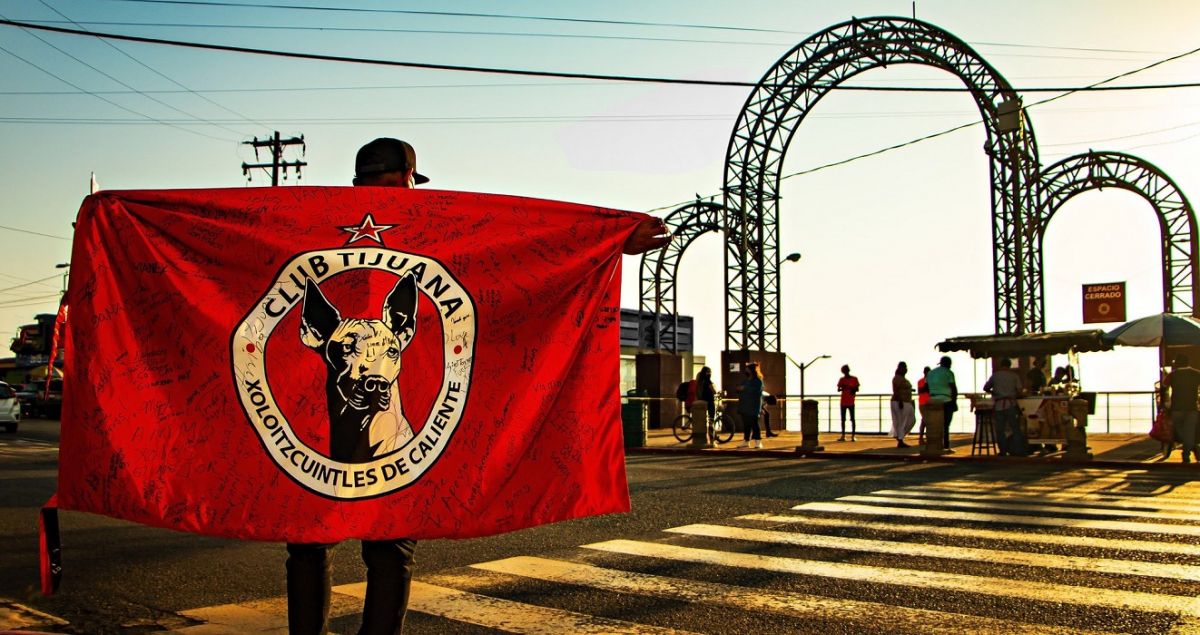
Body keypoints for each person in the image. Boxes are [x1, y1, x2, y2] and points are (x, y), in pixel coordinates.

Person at [286, 138, 670, 635]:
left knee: (321, 542)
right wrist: (610, 236)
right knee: (370, 547)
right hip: (339, 434)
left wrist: (610, 237)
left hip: (353, 436)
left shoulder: (315, 223)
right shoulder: (433, 223)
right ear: (408, 176)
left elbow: (523, 243)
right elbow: (525, 244)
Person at [983, 358, 1027, 457]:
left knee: (1000, 429)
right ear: (1009, 366)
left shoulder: (995, 376)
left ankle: (1002, 450)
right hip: (1011, 404)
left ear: (1000, 365)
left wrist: (993, 393)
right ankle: (1018, 449)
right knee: (1015, 428)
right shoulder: (1014, 376)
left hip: (999, 405)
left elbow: (986, 387)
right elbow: (1020, 390)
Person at [1166, 354, 1200, 464]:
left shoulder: (1173, 375)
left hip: (1176, 408)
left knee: (1179, 431)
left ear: (1177, 363)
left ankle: (1189, 449)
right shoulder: (1196, 374)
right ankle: (1189, 450)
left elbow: (1163, 386)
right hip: (1191, 407)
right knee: (1189, 432)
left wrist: (1166, 403)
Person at [926, 356, 958, 452]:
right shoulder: (949, 372)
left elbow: (926, 387)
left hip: (933, 400)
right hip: (946, 400)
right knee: (945, 424)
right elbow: (953, 388)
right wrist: (954, 401)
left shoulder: (930, 373)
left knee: (934, 425)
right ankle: (946, 446)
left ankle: (933, 445)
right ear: (948, 364)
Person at [737, 362, 765, 449]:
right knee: (746, 424)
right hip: (744, 405)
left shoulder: (758, 381)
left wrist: (744, 388)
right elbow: (739, 389)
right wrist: (739, 389)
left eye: (747, 369)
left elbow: (756, 391)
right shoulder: (745, 380)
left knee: (754, 423)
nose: (746, 371)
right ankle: (746, 441)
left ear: (752, 370)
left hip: (753, 406)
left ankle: (758, 441)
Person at [889, 362, 915, 448]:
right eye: (904, 367)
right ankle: (900, 440)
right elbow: (896, 390)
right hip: (900, 402)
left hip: (907, 401)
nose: (906, 369)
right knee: (901, 421)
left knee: (912, 420)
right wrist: (900, 401)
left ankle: (900, 435)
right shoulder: (897, 378)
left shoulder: (903, 379)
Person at [836, 364, 860, 441]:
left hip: (851, 401)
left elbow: (857, 389)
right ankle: (843, 435)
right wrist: (843, 388)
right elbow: (838, 389)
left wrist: (851, 389)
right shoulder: (841, 379)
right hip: (843, 401)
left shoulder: (854, 379)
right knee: (843, 419)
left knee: (852, 419)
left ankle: (853, 436)